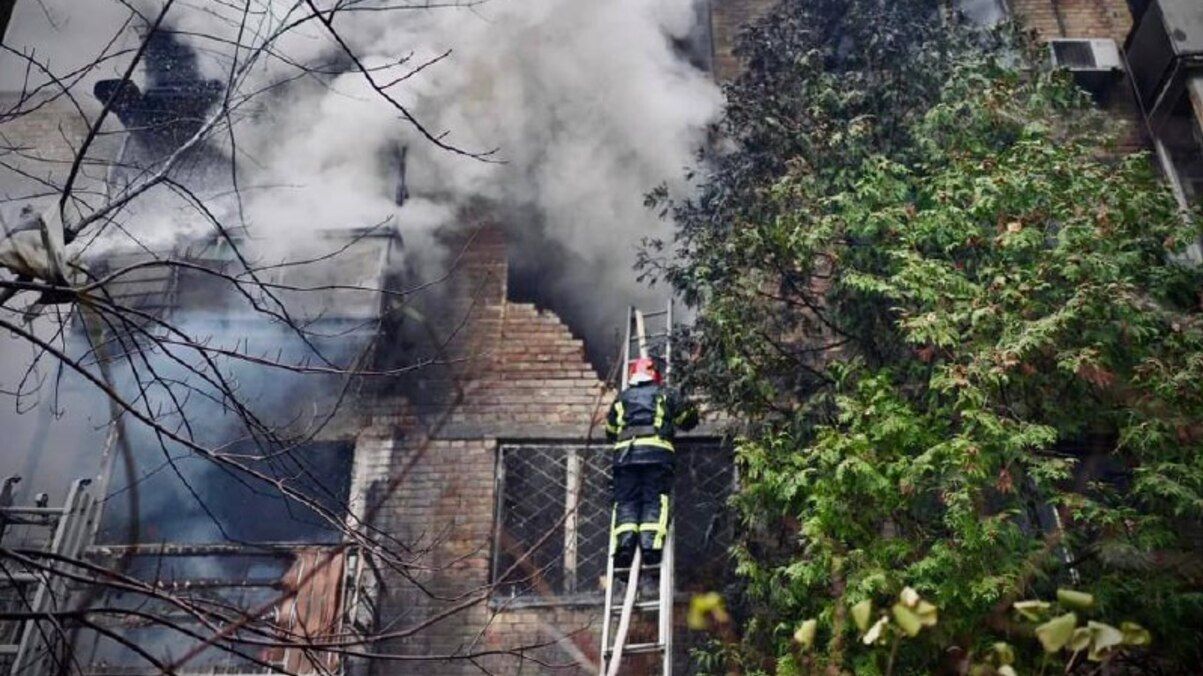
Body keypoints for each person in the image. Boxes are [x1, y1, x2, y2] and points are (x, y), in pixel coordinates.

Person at [604, 357, 699, 568]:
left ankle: (624, 547)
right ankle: (650, 548)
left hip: (625, 458)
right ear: (655, 375)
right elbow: (687, 420)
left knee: (626, 501)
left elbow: (610, 432)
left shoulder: (621, 398)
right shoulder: (665, 394)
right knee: (655, 499)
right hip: (657, 455)